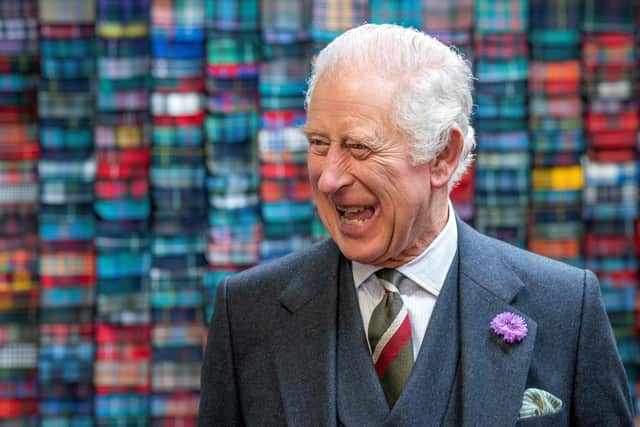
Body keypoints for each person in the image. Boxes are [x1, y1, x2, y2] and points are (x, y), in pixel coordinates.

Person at [198, 24, 633, 426]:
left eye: (358, 146)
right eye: (318, 143)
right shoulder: (248, 314)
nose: (329, 178)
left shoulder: (565, 310)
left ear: (442, 156)